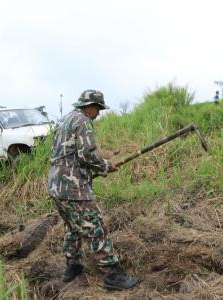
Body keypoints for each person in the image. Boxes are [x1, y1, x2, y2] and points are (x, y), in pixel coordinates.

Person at [47, 89, 138, 290]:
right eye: (98, 109)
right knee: (95, 227)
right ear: (90, 106)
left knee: (73, 228)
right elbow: (87, 154)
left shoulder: (66, 120)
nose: (98, 113)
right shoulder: (83, 121)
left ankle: (72, 268)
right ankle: (112, 275)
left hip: (56, 185)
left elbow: (66, 153)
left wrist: (98, 165)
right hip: (73, 188)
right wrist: (105, 166)